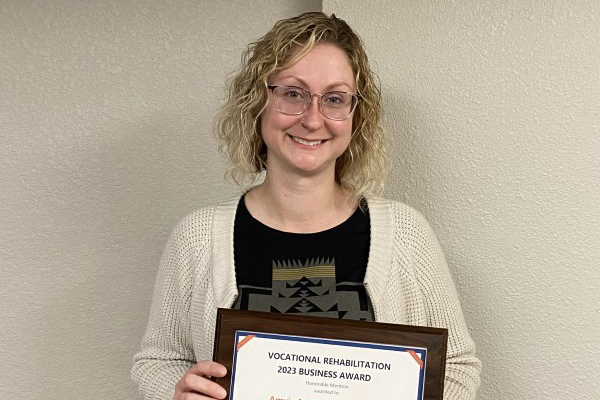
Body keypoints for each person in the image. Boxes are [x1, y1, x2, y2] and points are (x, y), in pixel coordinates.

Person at [132, 12, 481, 400]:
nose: (312, 119)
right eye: (293, 94)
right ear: (258, 102)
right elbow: (160, 360)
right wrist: (176, 393)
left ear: (354, 116)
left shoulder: (406, 235)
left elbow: (457, 368)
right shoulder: (196, 238)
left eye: (334, 99)